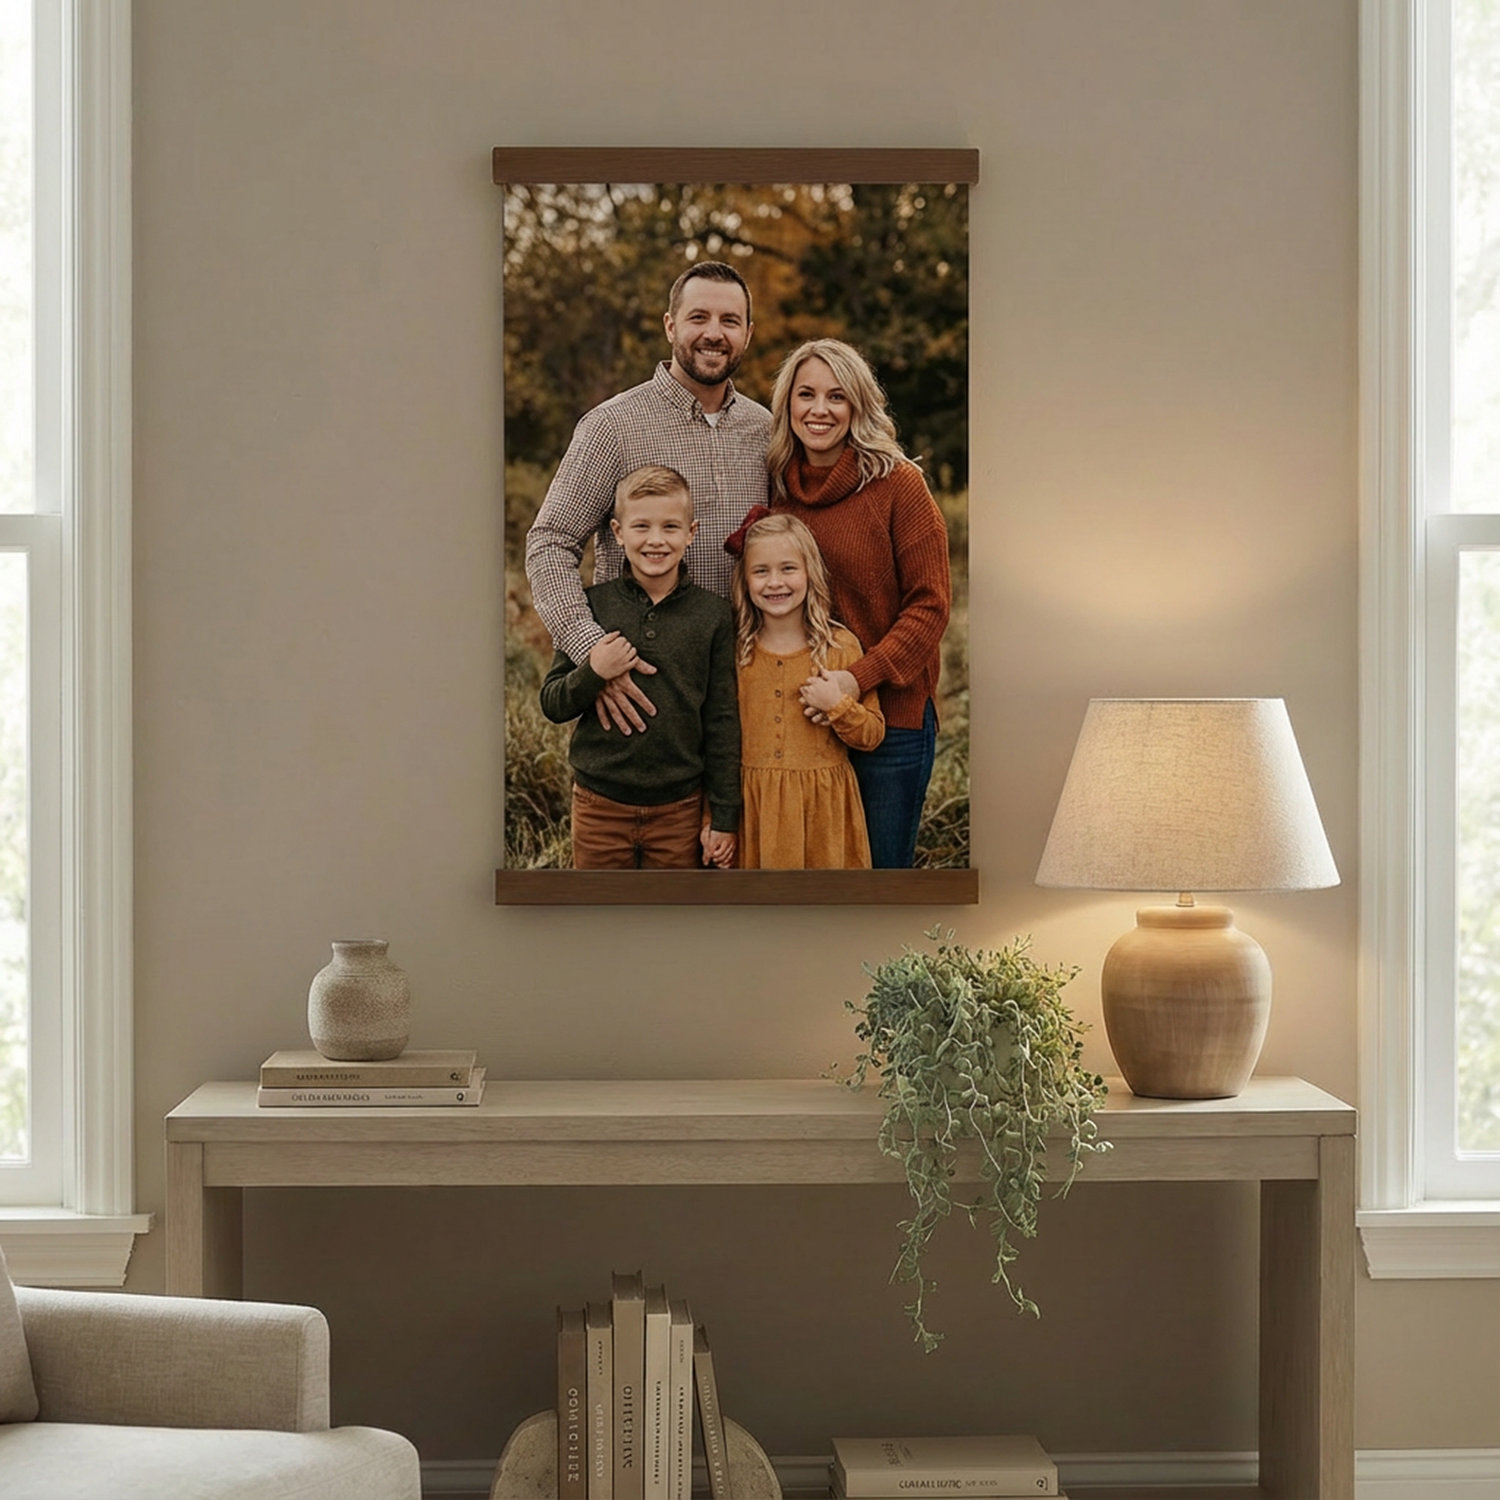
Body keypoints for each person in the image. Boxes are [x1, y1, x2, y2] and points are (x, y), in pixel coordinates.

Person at [525, 261, 771, 735]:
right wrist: (592, 650)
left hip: (743, 694)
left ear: (749, 333)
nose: (714, 333)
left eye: (730, 321)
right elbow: (550, 542)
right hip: (643, 694)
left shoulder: (766, 430)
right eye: (699, 317)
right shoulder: (612, 426)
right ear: (670, 324)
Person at [765, 339, 952, 869]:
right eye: (806, 394)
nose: (819, 410)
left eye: (836, 397)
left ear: (858, 406)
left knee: (878, 884)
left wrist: (857, 678)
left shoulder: (899, 485)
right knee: (818, 882)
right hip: (809, 719)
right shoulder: (780, 488)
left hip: (892, 722)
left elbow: (930, 607)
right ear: (788, 405)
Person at [539, 465, 740, 870]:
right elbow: (553, 703)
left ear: (691, 533)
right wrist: (594, 670)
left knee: (672, 926)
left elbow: (722, 721)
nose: (655, 540)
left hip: (679, 808)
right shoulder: (593, 607)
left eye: (670, 527)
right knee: (598, 923)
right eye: (641, 526)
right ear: (617, 532)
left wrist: (723, 815)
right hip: (600, 805)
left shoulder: (714, 616)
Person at [725, 509, 884, 870]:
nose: (775, 582)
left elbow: (873, 734)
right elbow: (716, 745)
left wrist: (838, 706)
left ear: (810, 572)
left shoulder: (841, 646)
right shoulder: (735, 652)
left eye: (788, 568)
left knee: (824, 919)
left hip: (824, 812)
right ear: (744, 580)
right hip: (754, 811)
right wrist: (713, 821)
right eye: (760, 571)